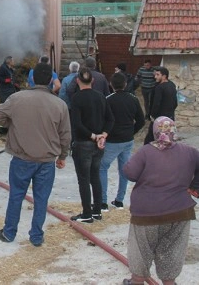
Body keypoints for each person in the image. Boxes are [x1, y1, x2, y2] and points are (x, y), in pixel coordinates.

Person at [122, 117, 199, 285]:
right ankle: (169, 283)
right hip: (180, 211)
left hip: (147, 213)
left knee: (141, 249)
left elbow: (130, 174)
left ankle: (137, 281)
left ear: (155, 131)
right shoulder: (188, 151)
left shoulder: (146, 151)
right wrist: (195, 188)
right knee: (172, 250)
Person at [0, 63, 71, 246]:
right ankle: (36, 237)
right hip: (47, 162)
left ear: (32, 79)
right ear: (51, 80)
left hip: (21, 159)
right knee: (41, 200)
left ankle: (9, 233)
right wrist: (63, 156)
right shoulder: (60, 104)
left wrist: (11, 124)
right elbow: (65, 135)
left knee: (16, 196)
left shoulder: (17, 98)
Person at [69, 68, 114, 223]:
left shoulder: (76, 99)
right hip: (98, 145)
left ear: (77, 80)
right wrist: (103, 135)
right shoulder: (101, 96)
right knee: (95, 177)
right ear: (93, 81)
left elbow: (77, 124)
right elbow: (110, 120)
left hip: (83, 144)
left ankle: (87, 213)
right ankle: (97, 211)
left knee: (83, 179)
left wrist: (93, 135)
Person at [99, 72, 145, 211]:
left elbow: (102, 120)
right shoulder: (133, 99)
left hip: (112, 140)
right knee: (124, 170)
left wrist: (103, 135)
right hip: (127, 140)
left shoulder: (108, 99)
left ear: (111, 85)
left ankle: (103, 202)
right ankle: (119, 200)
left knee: (102, 167)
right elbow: (141, 121)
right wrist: (132, 132)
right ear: (125, 84)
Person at [144, 66, 177, 144]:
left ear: (164, 76)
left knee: (150, 139)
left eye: (158, 75)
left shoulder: (159, 87)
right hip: (170, 117)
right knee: (167, 138)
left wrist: (152, 115)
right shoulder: (172, 85)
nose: (155, 77)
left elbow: (156, 103)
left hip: (159, 118)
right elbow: (175, 102)